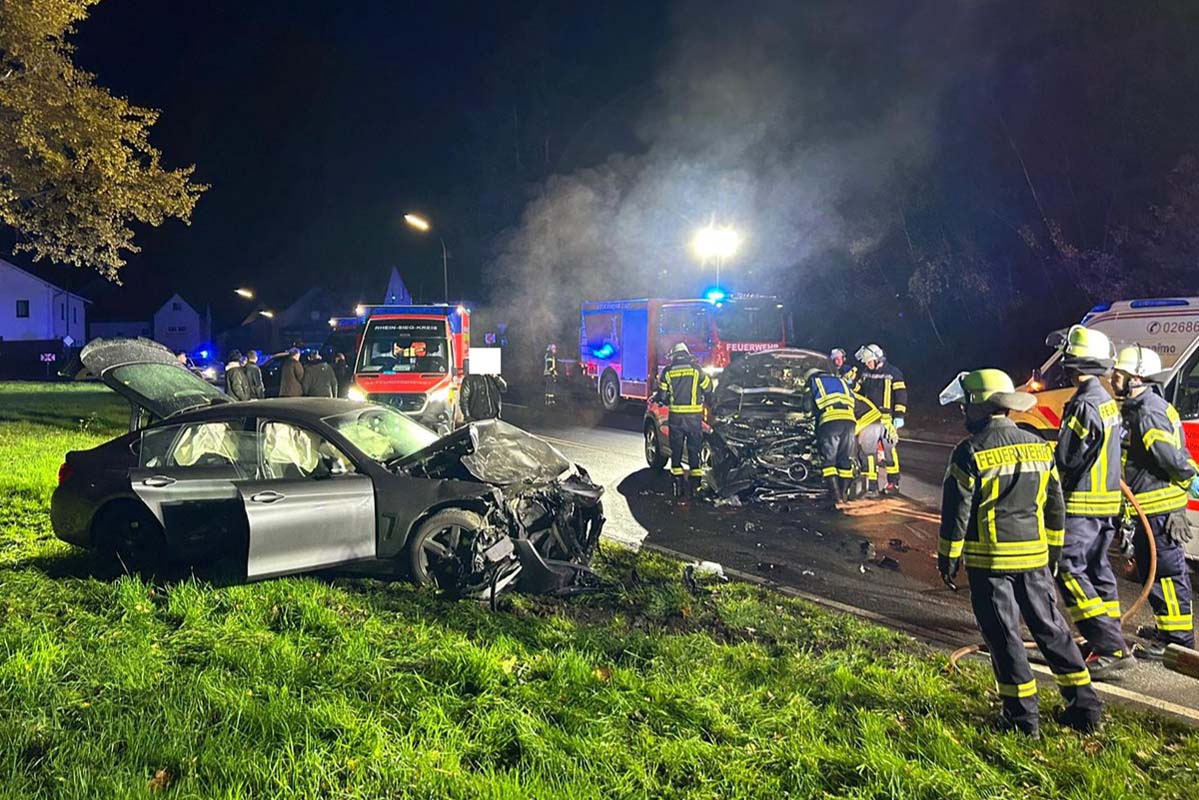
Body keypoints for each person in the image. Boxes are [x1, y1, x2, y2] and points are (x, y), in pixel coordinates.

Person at [938, 368, 1103, 736]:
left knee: (1005, 638)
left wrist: (947, 560)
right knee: (1053, 631)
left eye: (966, 405)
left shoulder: (969, 453)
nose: (963, 412)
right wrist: (1054, 554)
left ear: (980, 406)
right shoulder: (1038, 446)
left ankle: (1022, 718)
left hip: (992, 564)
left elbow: (955, 515)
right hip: (1036, 561)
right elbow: (1055, 507)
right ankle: (1085, 707)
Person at [1051, 326, 1133, 677]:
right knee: (1098, 570)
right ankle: (1107, 637)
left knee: (1069, 568)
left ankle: (1110, 646)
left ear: (1074, 363)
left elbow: (1067, 458)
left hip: (1083, 504)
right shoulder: (1106, 402)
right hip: (1106, 505)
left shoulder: (1084, 404)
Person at [1112, 344, 1198, 656]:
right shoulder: (1138, 408)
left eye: (1119, 374)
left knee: (1167, 574)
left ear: (1137, 378)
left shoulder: (1148, 412)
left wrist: (1189, 476)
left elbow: (1169, 457)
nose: (1113, 378)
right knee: (1154, 570)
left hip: (1160, 508)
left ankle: (1179, 641)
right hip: (1150, 507)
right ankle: (1167, 632)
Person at [655, 342, 713, 501]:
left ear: (674, 356)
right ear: (687, 354)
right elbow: (708, 388)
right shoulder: (696, 370)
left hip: (676, 419)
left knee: (677, 452)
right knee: (694, 451)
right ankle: (695, 488)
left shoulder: (667, 372)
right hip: (694, 418)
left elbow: (662, 396)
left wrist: (662, 399)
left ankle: (677, 487)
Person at [853, 344, 907, 495]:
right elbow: (858, 391)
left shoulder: (893, 373)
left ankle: (893, 483)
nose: (867, 364)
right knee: (868, 453)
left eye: (869, 361)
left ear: (878, 359)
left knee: (890, 452)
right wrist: (850, 384)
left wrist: (899, 416)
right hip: (869, 419)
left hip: (886, 419)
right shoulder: (865, 373)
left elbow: (901, 395)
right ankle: (872, 487)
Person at [808, 364, 857, 508]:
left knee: (829, 461)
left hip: (830, 421)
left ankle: (835, 498)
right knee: (844, 460)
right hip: (849, 421)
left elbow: (807, 407)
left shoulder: (814, 382)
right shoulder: (841, 381)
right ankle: (844, 496)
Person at [852, 390, 885, 496]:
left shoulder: (844, 398)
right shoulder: (846, 395)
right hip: (866, 419)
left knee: (867, 453)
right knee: (859, 452)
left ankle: (872, 486)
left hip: (870, 420)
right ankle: (864, 484)